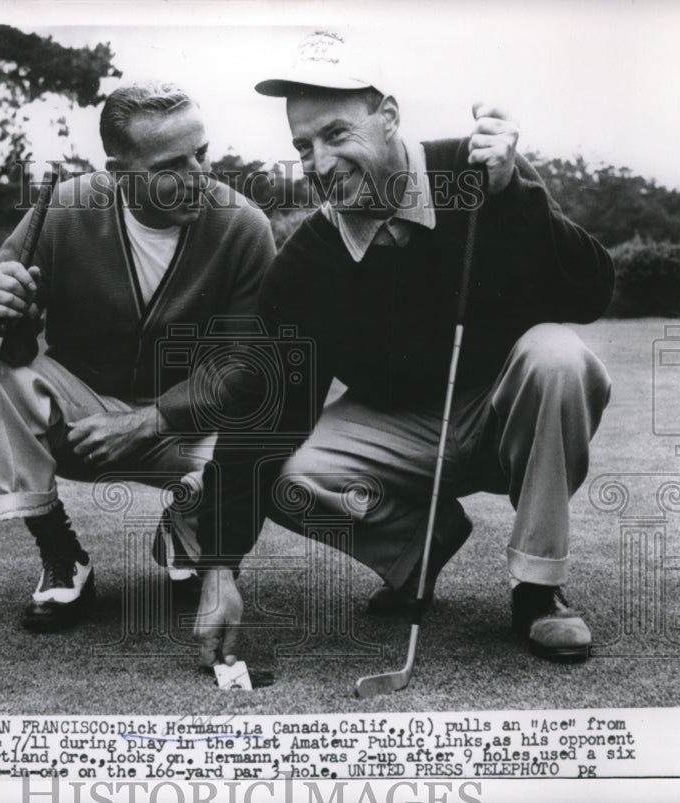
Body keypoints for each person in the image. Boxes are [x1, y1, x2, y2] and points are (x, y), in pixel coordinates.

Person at [193, 31, 614, 668]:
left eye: (337, 134)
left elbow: (589, 293)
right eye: (303, 146)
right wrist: (221, 569)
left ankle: (537, 590)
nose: (320, 162)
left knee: (558, 355)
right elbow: (265, 411)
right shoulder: (304, 263)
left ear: (389, 117)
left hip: (506, 414)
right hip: (400, 427)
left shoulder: (479, 176)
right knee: (285, 473)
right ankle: (421, 548)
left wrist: (513, 197)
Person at [0, 81, 275, 632]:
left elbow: (246, 364)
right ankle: (61, 554)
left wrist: (146, 422)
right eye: (174, 164)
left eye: (203, 153)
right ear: (120, 173)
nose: (200, 176)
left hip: (185, 425)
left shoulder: (243, 226)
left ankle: (188, 526)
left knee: (266, 432)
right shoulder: (65, 208)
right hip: (84, 416)